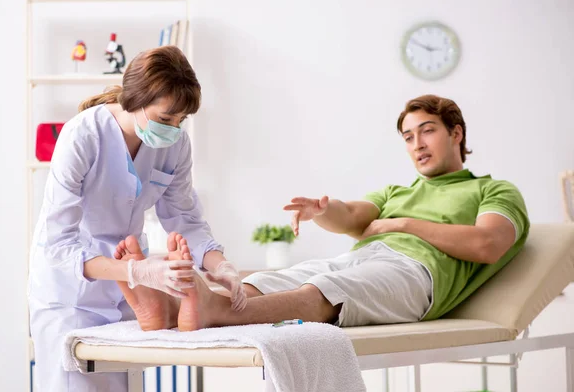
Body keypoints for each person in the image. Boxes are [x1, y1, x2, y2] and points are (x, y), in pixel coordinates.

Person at [115, 94, 530, 333]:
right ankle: (168, 313)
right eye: (408, 137)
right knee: (276, 279)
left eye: (427, 131)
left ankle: (214, 312)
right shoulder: (398, 190)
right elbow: (354, 218)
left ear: (456, 133)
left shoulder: (492, 190)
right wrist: (323, 211)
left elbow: (489, 244)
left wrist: (402, 224)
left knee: (325, 293)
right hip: (363, 258)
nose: (417, 144)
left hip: (418, 276)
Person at [27, 45, 247, 392]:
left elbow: (184, 217)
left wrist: (220, 265)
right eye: (165, 119)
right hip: (70, 297)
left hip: (130, 294)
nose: (174, 130)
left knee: (124, 385)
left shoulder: (175, 144)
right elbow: (58, 245)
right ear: (134, 101)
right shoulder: (82, 136)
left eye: (181, 120)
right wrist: (137, 271)